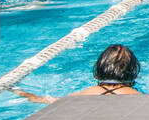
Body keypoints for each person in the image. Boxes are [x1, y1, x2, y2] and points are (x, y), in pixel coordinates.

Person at [14, 44, 142, 104]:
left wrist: (17, 90)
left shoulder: (82, 95)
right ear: (134, 73)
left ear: (97, 73)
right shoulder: (139, 97)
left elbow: (38, 99)